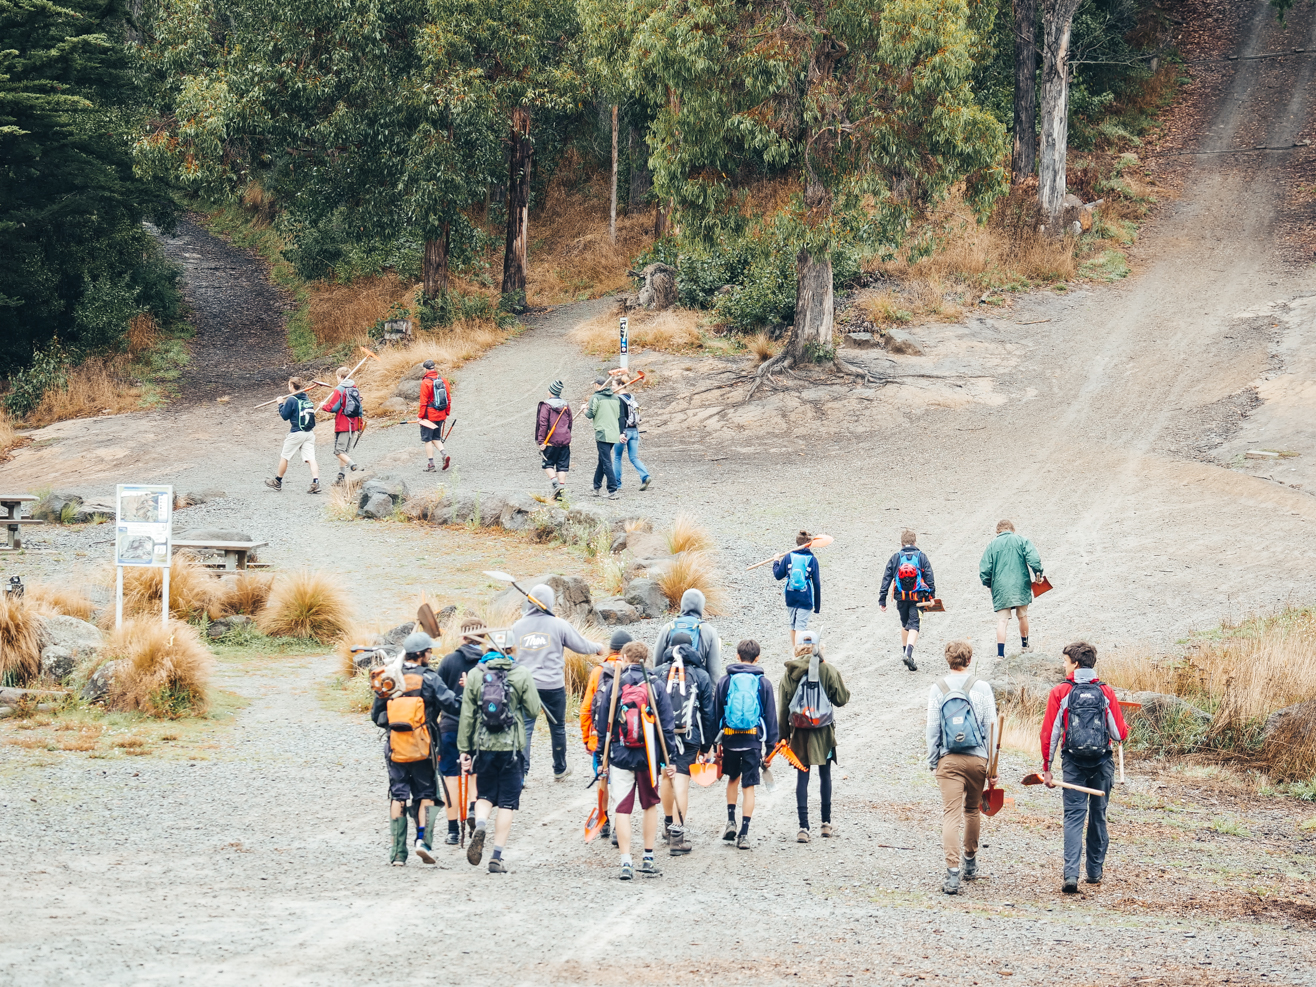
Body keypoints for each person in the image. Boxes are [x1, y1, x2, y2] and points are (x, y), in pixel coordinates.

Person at [1040, 641, 1129, 893]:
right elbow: (1118, 733)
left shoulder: (1060, 692)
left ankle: (1070, 875)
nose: (1064, 665)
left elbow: (1050, 733)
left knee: (1073, 817)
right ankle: (1094, 871)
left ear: (1076, 664)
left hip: (1073, 765)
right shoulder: (1106, 692)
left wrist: (1047, 768)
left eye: (1066, 661)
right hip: (1102, 763)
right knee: (1098, 815)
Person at [370, 631, 460, 866]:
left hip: (395, 746)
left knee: (398, 794)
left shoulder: (389, 677)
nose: (431, 655)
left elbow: (376, 716)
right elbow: (451, 704)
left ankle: (398, 854)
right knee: (426, 794)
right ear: (420, 655)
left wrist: (397, 724)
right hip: (423, 746)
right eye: (429, 651)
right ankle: (423, 841)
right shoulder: (430, 679)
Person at [457, 630, 542, 873]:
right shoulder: (521, 673)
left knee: (484, 795)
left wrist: (465, 749)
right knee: (507, 802)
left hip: (483, 746)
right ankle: (496, 857)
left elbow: (467, 715)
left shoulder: (475, 674)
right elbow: (534, 709)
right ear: (512, 649)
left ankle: (481, 823)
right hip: (511, 748)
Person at [592, 642, 677, 879]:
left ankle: (626, 861)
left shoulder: (615, 684)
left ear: (625, 657)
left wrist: (601, 756)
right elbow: (666, 726)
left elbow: (604, 725)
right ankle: (648, 857)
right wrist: (669, 759)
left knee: (623, 808)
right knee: (649, 805)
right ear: (645, 658)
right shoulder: (656, 685)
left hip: (620, 755)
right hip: (649, 757)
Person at [511, 583, 605, 782]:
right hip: (553, 686)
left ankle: (522, 773)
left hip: (525, 687)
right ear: (550, 602)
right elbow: (581, 645)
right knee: (558, 727)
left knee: (525, 729)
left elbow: (506, 653)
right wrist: (598, 648)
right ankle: (560, 768)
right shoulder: (558, 625)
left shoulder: (517, 627)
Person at [925, 640, 997, 895]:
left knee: (950, 815)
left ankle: (952, 874)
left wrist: (934, 760)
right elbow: (992, 727)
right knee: (972, 810)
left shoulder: (938, 689)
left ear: (948, 661)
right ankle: (970, 861)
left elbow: (933, 729)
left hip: (949, 759)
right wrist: (992, 767)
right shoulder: (982, 687)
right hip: (977, 759)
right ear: (969, 660)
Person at [777, 637, 850, 843]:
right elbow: (842, 699)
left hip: (799, 735)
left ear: (798, 648)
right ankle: (826, 824)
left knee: (802, 778)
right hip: (824, 734)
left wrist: (782, 736)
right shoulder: (826, 669)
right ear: (819, 648)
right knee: (825, 775)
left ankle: (803, 827)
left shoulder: (789, 671)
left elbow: (783, 707)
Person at [652, 630, 717, 854]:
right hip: (690, 735)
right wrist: (707, 745)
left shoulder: (657, 672)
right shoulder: (701, 675)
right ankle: (678, 837)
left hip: (663, 736)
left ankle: (668, 824)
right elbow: (708, 713)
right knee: (681, 780)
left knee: (666, 776)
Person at [713, 639, 778, 849]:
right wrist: (770, 748)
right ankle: (744, 833)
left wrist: (715, 745)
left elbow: (717, 714)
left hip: (730, 740)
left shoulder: (725, 681)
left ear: (737, 656)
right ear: (757, 658)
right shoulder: (763, 683)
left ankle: (730, 820)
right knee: (748, 786)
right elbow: (770, 717)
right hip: (753, 741)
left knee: (732, 779)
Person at [435, 618, 487, 844]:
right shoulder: (487, 663)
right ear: (484, 637)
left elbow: (436, 694)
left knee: (450, 777)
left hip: (450, 726)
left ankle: (453, 830)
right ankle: (474, 809)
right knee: (474, 773)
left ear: (462, 636)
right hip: (479, 728)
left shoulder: (448, 661)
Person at [579, 630, 633, 842]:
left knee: (603, 777)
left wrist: (587, 738)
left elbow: (586, 708)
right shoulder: (632, 670)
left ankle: (604, 819)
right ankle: (621, 823)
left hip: (599, 736)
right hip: (624, 738)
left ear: (611, 649)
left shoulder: (598, 672)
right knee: (621, 781)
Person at [979, 519, 1044, 657]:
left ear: (998, 531)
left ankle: (1000, 655)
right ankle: (1025, 646)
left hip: (1000, 588)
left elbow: (984, 569)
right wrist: (1038, 573)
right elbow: (1034, 559)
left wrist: (989, 584)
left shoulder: (992, 545)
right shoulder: (1021, 540)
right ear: (1012, 529)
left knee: (1002, 621)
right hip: (1020, 584)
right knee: (1022, 615)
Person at [879, 529, 936, 671]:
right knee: (915, 625)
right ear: (915, 542)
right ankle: (908, 654)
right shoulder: (921, 556)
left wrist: (882, 600)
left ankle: (905, 651)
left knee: (905, 624)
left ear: (901, 543)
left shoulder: (896, 557)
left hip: (901, 596)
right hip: (918, 597)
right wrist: (932, 596)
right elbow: (929, 577)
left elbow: (887, 578)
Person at [652, 589, 724, 685]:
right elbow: (714, 669)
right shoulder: (709, 631)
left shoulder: (668, 627)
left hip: (669, 681)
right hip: (696, 683)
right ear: (701, 605)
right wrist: (713, 693)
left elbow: (657, 660)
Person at [265, 377, 321, 494]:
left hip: (296, 433)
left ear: (292, 386)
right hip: (309, 433)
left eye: (289, 385)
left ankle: (278, 481)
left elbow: (285, 416)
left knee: (285, 456)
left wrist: (280, 403)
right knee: (311, 458)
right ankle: (316, 482)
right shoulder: (306, 398)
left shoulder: (292, 399)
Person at [772, 530, 822, 652]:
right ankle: (798, 655)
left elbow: (778, 575)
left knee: (793, 625)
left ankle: (794, 653)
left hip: (790, 595)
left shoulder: (789, 556)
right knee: (801, 626)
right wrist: (817, 606)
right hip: (805, 597)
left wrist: (776, 561)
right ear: (809, 544)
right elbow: (816, 583)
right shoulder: (812, 560)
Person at [319, 366, 364, 486]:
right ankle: (341, 475)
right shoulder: (355, 388)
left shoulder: (340, 389)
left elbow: (333, 408)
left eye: (337, 377)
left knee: (338, 451)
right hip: (353, 423)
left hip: (343, 424)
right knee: (343, 451)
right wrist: (360, 425)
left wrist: (323, 405)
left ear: (340, 376)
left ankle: (354, 466)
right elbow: (360, 408)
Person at [584, 375, 622, 499]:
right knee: (602, 460)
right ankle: (596, 486)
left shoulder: (595, 397)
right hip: (614, 433)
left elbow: (590, 414)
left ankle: (612, 490)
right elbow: (618, 415)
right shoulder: (616, 398)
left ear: (597, 385)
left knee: (606, 461)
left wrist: (584, 409)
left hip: (602, 433)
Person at [536, 379, 572, 501]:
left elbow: (543, 424)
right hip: (564, 440)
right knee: (562, 466)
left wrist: (541, 441)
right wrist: (567, 435)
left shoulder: (546, 406)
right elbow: (570, 422)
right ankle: (561, 492)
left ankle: (555, 482)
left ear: (551, 391)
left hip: (550, 440)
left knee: (547, 463)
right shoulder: (565, 405)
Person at [612, 382, 652, 491]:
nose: (612, 387)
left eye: (613, 385)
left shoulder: (618, 399)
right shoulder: (632, 397)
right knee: (633, 457)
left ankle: (617, 484)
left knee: (617, 457)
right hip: (635, 431)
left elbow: (621, 417)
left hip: (624, 432)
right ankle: (645, 476)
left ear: (620, 385)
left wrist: (621, 433)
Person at [418, 359, 451, 473]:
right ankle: (444, 453)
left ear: (425, 369)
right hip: (441, 414)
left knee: (427, 439)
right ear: (434, 367)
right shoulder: (443, 380)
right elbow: (448, 398)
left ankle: (431, 465)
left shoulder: (425, 382)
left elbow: (423, 402)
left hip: (429, 415)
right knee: (436, 437)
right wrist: (446, 412)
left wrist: (420, 416)